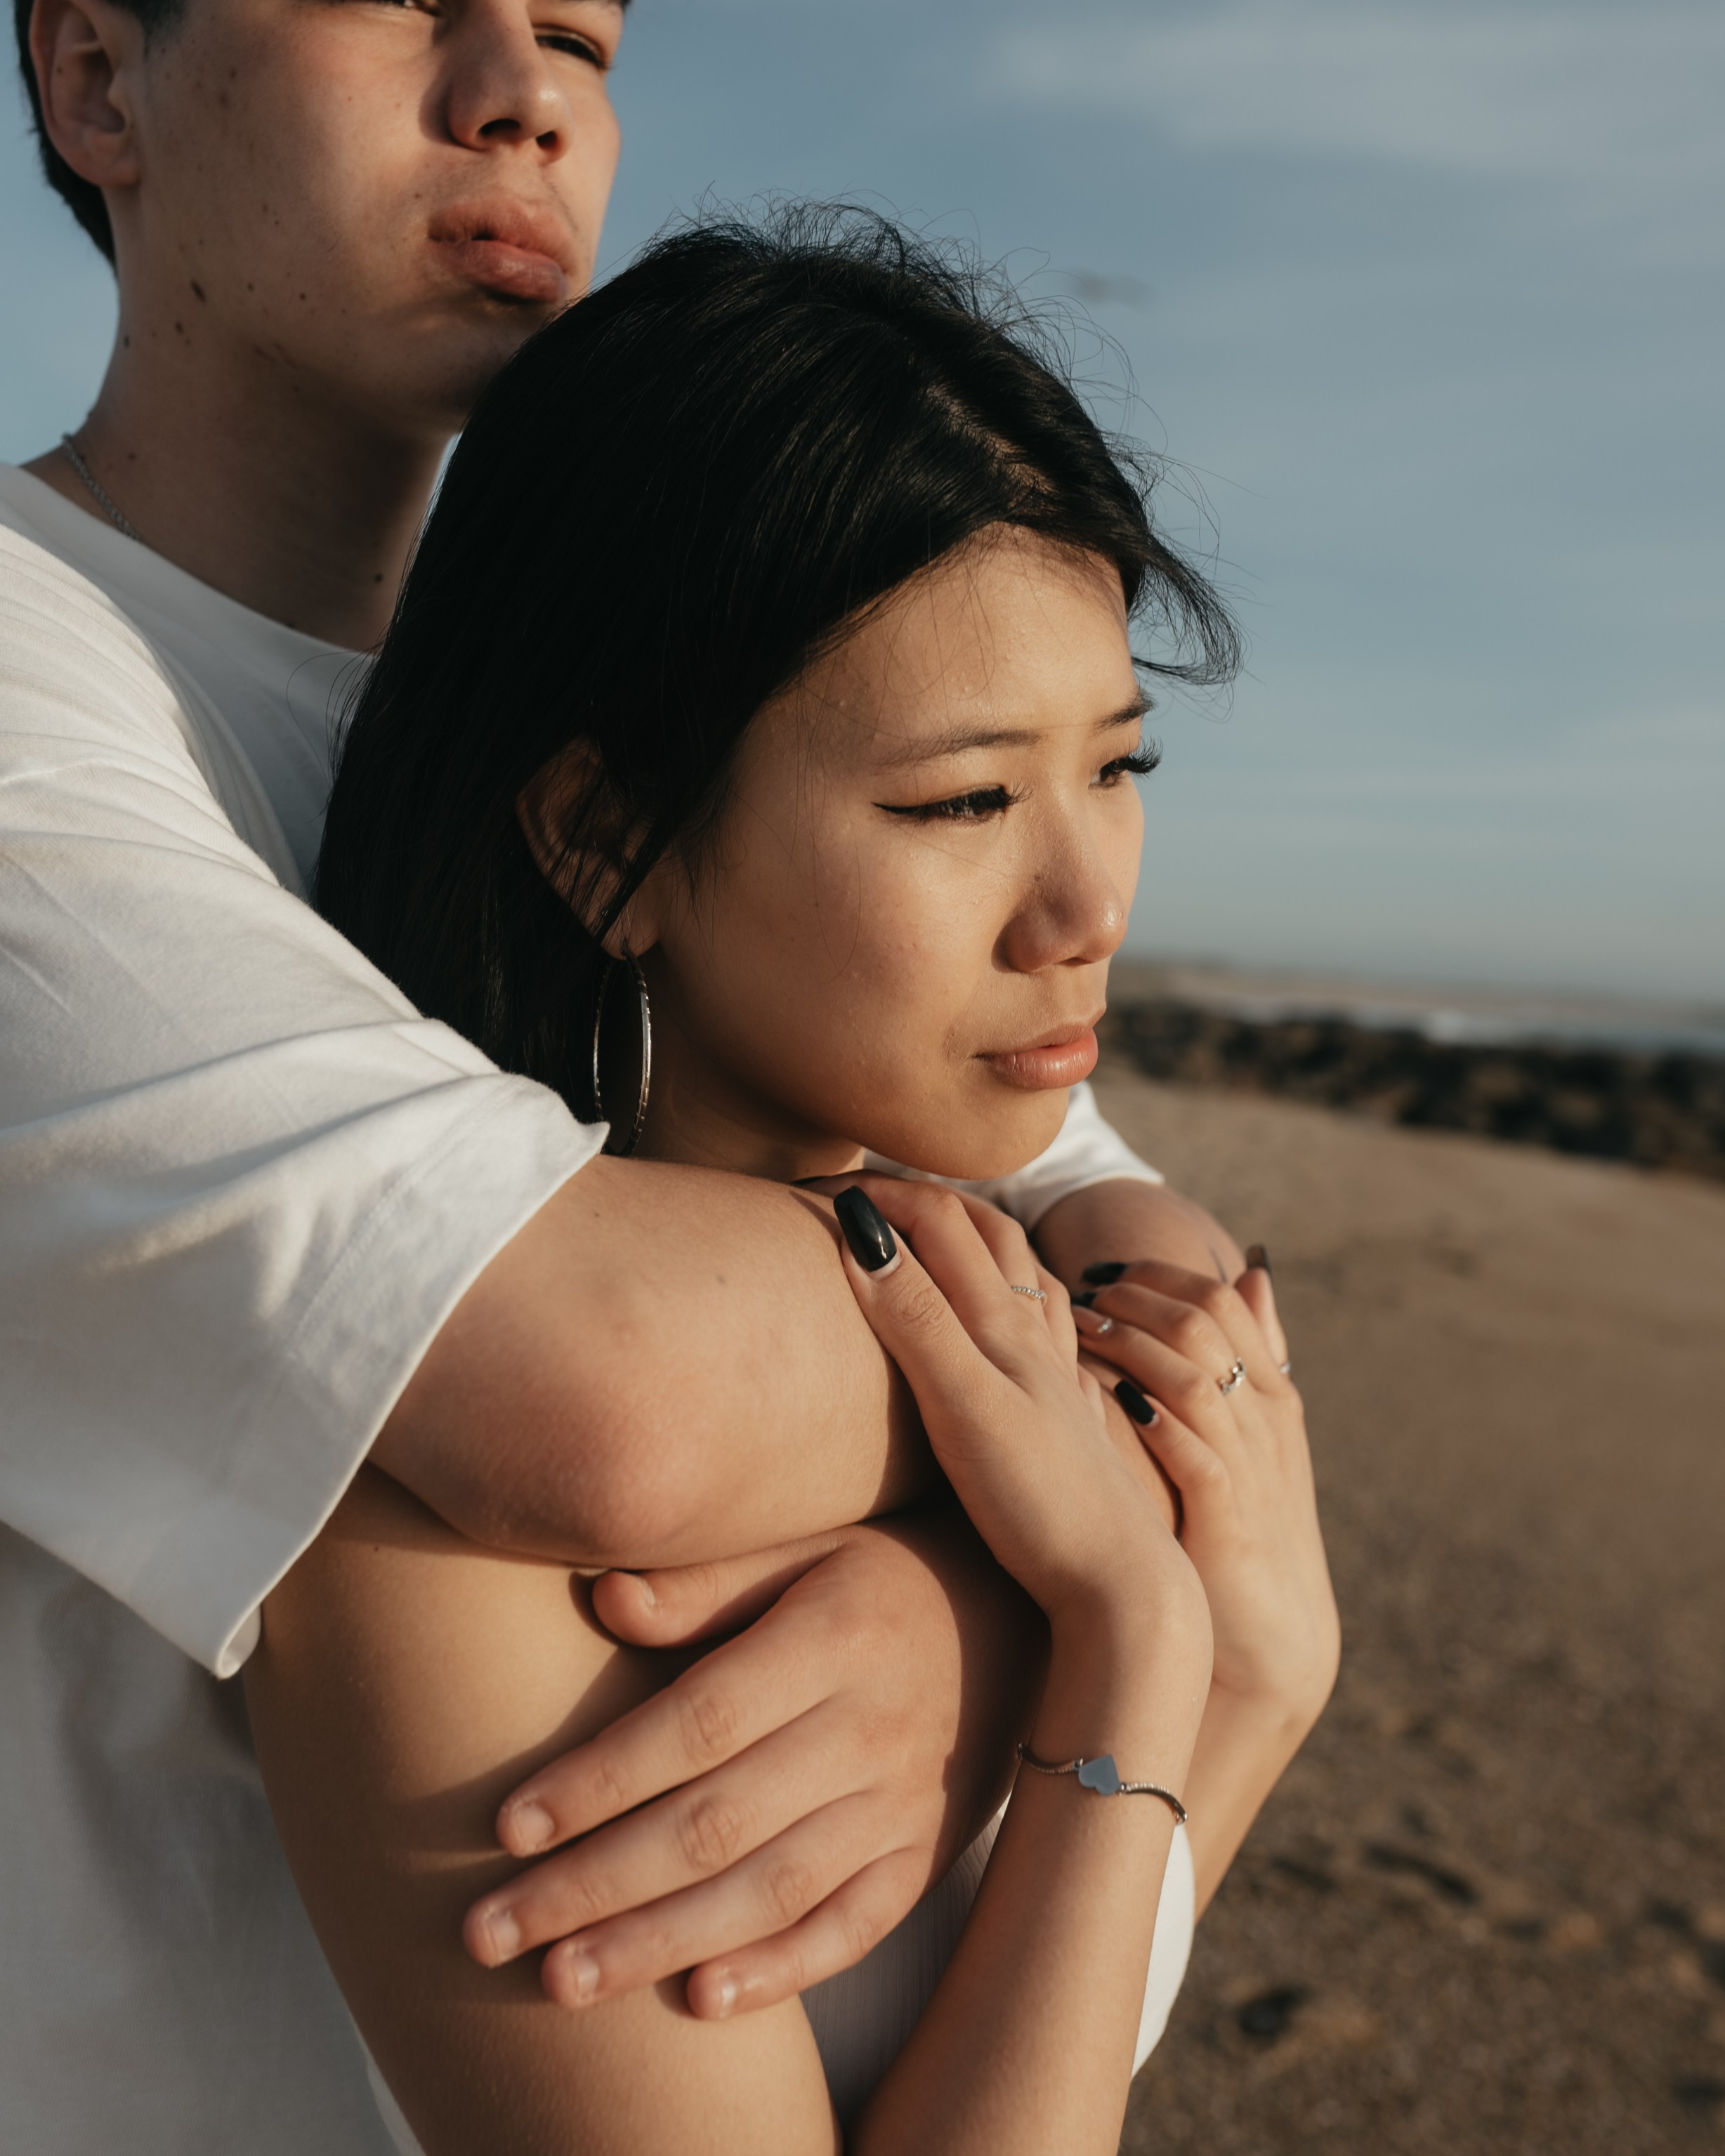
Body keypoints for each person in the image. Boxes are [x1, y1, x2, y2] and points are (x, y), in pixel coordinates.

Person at [1, 3, 1262, 2151]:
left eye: (582, 25)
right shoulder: (50, 682)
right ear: (96, 76)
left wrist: (985, 1607)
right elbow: (606, 1388)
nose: (529, 90)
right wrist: (1112, 1564)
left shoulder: (676, 677)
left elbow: (1121, 1239)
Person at [245, 211, 1340, 2153]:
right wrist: (1149, 1644)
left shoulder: (1050, 1364)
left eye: (1122, 768)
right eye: (964, 801)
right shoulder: (447, 1544)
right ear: (601, 839)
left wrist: (1221, 1685)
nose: (1087, 907)